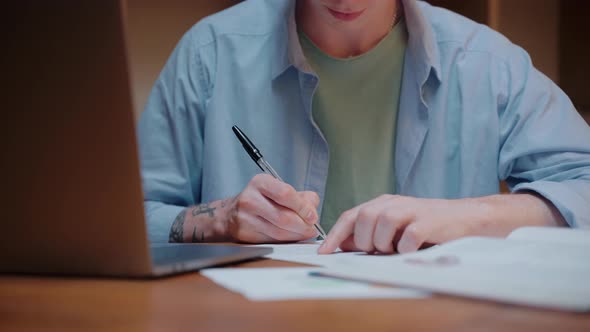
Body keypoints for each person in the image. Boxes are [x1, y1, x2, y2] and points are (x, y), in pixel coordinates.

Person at [138, 0, 590, 254]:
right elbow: (126, 218)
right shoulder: (210, 54)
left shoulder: (488, 65)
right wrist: (221, 220)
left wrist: (469, 216)